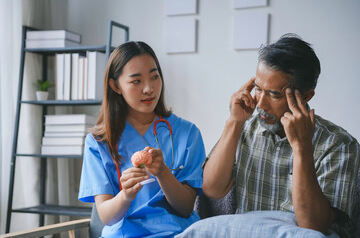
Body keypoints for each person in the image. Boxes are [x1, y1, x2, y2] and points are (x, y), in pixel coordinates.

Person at [177, 34, 359, 238]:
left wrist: (302, 148)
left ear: (306, 96)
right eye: (258, 88)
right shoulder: (245, 127)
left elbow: (312, 226)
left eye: (274, 94)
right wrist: (234, 122)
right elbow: (212, 189)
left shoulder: (340, 145)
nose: (260, 104)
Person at [78, 41, 206, 237]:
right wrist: (125, 195)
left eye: (154, 77)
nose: (149, 88)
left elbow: (186, 208)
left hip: (178, 233)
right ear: (115, 86)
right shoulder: (98, 142)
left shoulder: (188, 133)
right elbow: (106, 217)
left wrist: (163, 172)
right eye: (136, 81)